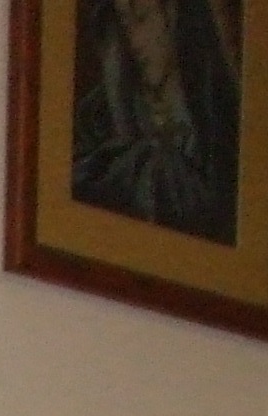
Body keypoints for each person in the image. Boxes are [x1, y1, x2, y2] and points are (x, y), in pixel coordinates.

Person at [72, 0, 242, 247]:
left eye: (142, 18)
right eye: (125, 24)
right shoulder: (98, 116)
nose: (134, 41)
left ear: (175, 17)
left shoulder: (220, 116)